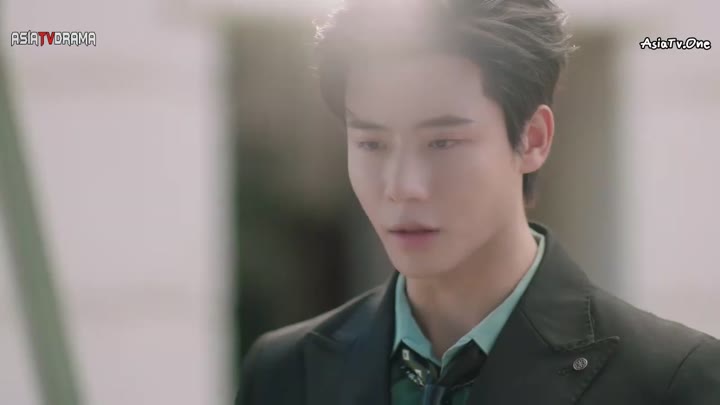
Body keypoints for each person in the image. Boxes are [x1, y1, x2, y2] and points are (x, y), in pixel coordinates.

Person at [236, 0, 720, 404]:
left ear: (532, 138)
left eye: (442, 142)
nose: (402, 186)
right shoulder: (284, 371)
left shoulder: (671, 379)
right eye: (371, 143)